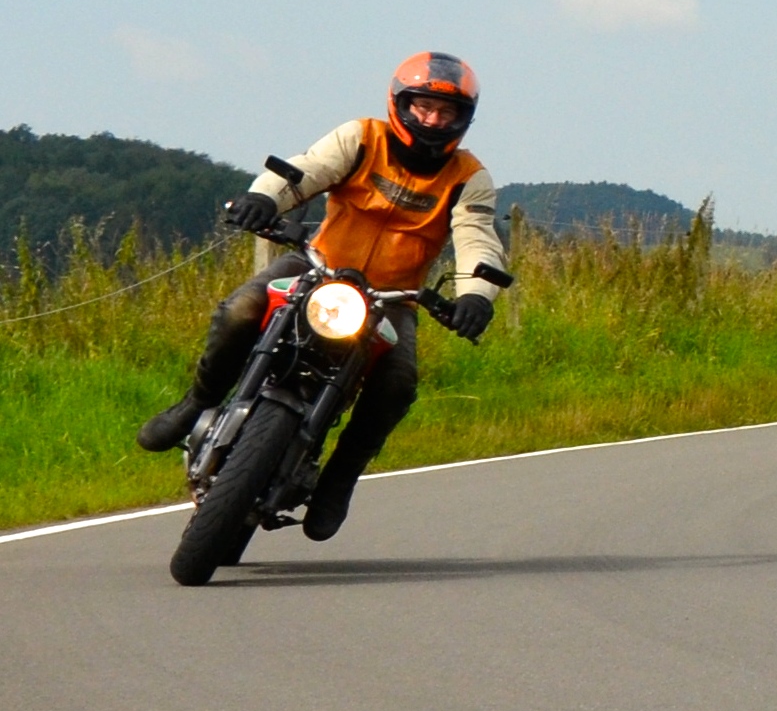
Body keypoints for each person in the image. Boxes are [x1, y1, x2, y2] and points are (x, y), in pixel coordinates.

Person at [136, 52, 510, 541]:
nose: (433, 120)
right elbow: (305, 171)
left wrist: (476, 295)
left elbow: (477, 238)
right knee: (241, 309)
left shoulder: (468, 176)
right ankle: (194, 404)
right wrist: (265, 198)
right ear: (401, 103)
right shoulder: (361, 138)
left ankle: (341, 477)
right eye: (423, 107)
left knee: (397, 382)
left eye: (447, 113)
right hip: (317, 266)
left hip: (391, 297)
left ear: (464, 120)